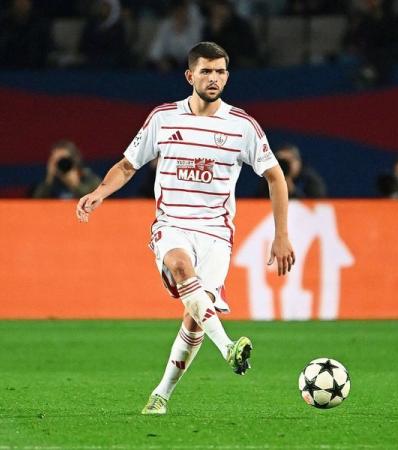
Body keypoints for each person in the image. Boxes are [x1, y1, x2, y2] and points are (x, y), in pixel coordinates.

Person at [76, 42, 295, 415]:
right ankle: (228, 346)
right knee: (179, 266)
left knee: (194, 319)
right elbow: (129, 165)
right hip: (172, 225)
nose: (214, 78)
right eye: (206, 71)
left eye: (221, 71)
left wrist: (282, 235)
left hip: (216, 235)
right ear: (189, 75)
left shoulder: (242, 126)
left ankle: (161, 394)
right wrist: (100, 191)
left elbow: (276, 177)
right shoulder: (163, 118)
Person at [32, 140, 101, 199]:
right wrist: (49, 179)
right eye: (56, 160)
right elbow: (36, 203)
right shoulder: (50, 182)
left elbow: (94, 202)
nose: (61, 164)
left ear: (74, 160)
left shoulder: (87, 177)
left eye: (64, 160)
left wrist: (76, 184)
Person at [257, 144, 327, 199]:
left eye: (289, 161)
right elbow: (258, 204)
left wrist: (293, 191)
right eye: (281, 162)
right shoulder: (269, 180)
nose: (284, 165)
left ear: (298, 162)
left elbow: (317, 208)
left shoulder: (309, 180)